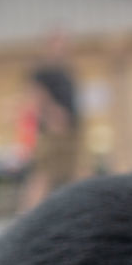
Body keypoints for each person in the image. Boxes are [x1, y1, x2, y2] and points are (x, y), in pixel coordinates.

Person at [19, 63, 84, 212]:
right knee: (42, 178)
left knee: (76, 174)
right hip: (53, 136)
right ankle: (27, 218)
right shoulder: (43, 73)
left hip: (67, 135)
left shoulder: (66, 74)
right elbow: (35, 98)